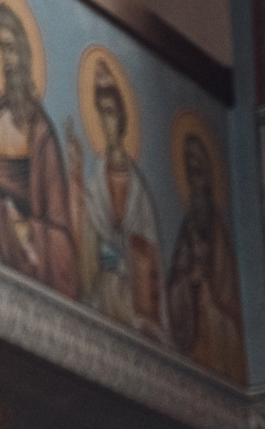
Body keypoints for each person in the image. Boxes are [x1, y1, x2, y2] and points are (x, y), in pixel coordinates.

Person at [0, 0, 79, 297]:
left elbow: (60, 231)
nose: (8, 60)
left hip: (31, 254)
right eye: (2, 49)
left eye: (12, 49)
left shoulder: (40, 133)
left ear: (25, 53)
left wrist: (28, 230)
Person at [73, 62, 164, 337]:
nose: (105, 122)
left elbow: (150, 250)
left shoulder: (140, 192)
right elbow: (86, 232)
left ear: (122, 118)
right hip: (102, 291)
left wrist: (126, 254)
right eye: (100, 113)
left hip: (132, 296)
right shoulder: (96, 180)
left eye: (110, 113)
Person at [167, 128, 249, 382]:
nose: (194, 180)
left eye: (198, 171)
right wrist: (187, 282)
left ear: (208, 178)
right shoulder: (187, 228)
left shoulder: (221, 239)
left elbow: (232, 313)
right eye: (189, 173)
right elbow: (175, 283)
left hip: (216, 339)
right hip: (194, 339)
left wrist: (208, 296)